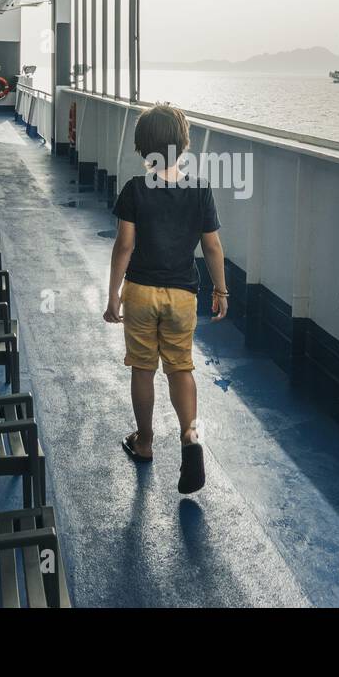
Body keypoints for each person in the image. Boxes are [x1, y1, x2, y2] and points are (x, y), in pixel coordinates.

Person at [103, 103, 228, 494]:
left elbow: (124, 246)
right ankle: (189, 436)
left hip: (140, 292)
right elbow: (212, 246)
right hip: (182, 295)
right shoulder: (199, 189)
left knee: (143, 368)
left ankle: (144, 443)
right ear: (184, 144)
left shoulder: (135, 190)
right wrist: (221, 289)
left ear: (142, 147)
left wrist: (113, 295)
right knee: (181, 367)